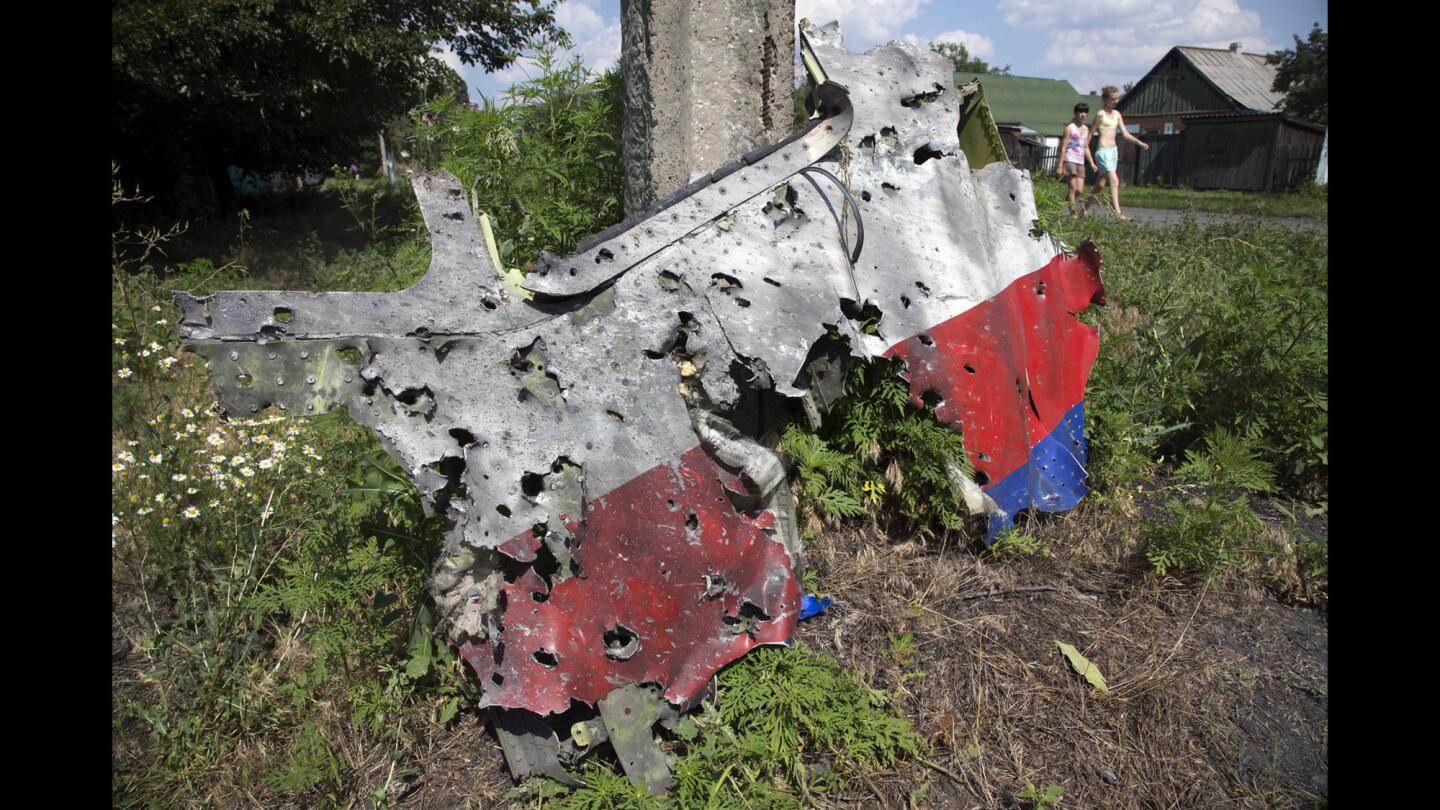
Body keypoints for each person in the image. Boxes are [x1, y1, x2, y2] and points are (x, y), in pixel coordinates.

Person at [1085, 86, 1148, 220]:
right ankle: (1118, 213)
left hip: (1113, 151)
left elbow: (1125, 133)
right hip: (1102, 151)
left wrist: (1139, 142)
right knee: (1114, 181)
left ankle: (1084, 208)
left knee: (1100, 184)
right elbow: (1090, 133)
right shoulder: (1100, 114)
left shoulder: (1117, 114)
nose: (1115, 101)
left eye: (1117, 98)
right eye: (1113, 99)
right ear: (1105, 99)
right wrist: (1085, 149)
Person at [1056, 103, 1096, 215]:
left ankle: (1068, 199)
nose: (1082, 114)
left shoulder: (1085, 129)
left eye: (1085, 112)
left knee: (1079, 190)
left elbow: (1086, 147)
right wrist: (1060, 166)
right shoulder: (1070, 128)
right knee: (1072, 187)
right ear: (1075, 113)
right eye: (1080, 112)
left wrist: (1092, 162)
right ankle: (1072, 214)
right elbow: (1063, 147)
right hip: (1070, 158)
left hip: (1080, 161)